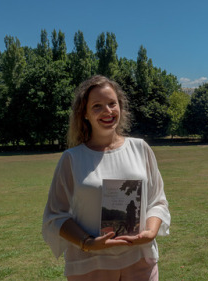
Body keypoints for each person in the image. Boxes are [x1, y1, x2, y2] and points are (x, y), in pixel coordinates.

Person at [42, 75, 170, 280]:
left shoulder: (140, 149)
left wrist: (151, 231)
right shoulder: (72, 159)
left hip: (140, 261)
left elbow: (158, 201)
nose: (107, 111)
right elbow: (55, 216)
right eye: (97, 106)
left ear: (120, 106)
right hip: (90, 265)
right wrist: (88, 243)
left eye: (112, 103)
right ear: (84, 113)